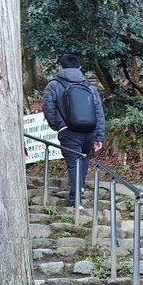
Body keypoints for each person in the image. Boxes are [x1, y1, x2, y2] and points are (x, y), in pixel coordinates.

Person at [42, 54, 106, 206]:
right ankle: (80, 191)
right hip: (89, 131)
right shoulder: (89, 86)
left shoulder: (53, 85)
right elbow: (99, 112)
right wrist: (99, 136)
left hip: (68, 131)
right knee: (83, 160)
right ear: (79, 67)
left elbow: (48, 108)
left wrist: (58, 126)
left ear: (61, 67)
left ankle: (75, 200)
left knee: (73, 164)